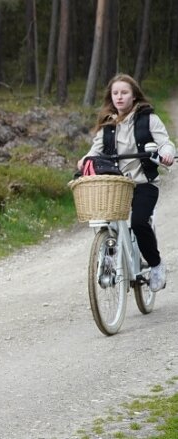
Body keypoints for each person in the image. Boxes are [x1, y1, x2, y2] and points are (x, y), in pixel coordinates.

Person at [77, 73, 175, 292]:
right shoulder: (108, 124)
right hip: (115, 186)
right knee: (105, 220)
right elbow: (96, 149)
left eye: (124, 93)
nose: (119, 97)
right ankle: (110, 256)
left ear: (134, 96)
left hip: (143, 183)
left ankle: (156, 264)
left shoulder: (148, 119)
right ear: (111, 97)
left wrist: (166, 154)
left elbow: (165, 143)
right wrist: (85, 160)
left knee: (139, 222)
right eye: (115, 93)